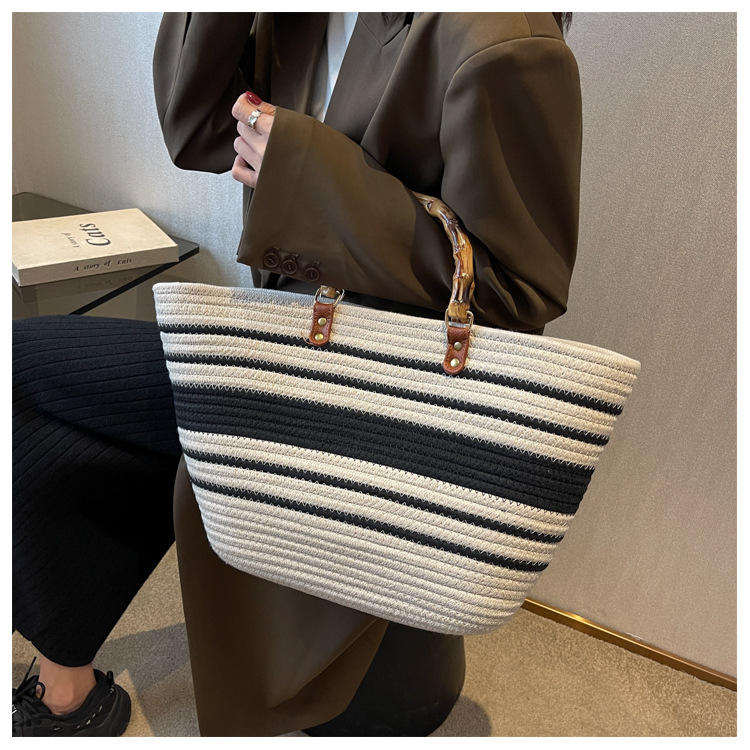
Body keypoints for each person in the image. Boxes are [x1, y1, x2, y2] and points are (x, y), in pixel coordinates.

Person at [12, 11, 581, 737]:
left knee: (33, 373)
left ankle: (69, 690)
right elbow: (197, 132)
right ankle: (65, 680)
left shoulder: (501, 39)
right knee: (46, 382)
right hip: (296, 344)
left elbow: (519, 289)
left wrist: (311, 177)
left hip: (392, 393)